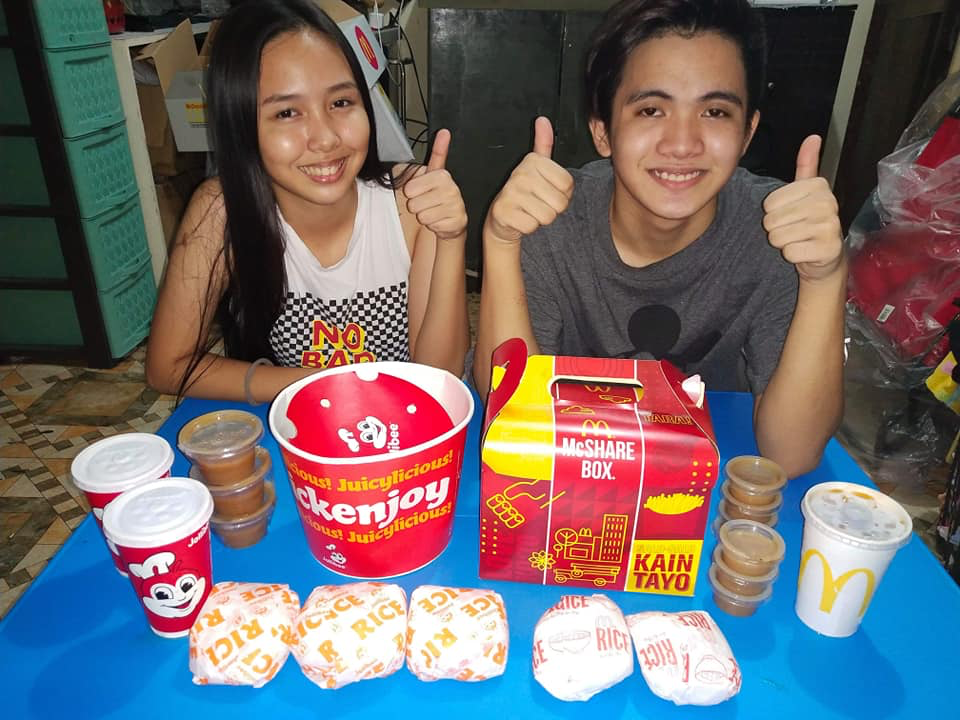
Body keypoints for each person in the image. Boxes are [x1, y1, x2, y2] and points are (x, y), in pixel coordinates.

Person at [474, 0, 845, 478]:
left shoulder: (776, 231)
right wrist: (501, 242)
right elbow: (510, 416)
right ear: (602, 130)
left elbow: (789, 456)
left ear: (748, 132)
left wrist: (825, 278)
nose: (683, 143)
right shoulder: (550, 216)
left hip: (709, 480)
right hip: (571, 482)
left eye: (714, 111)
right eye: (651, 109)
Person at [146, 0, 469, 404]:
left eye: (340, 103)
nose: (325, 139)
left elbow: (438, 377)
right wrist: (323, 388)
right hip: (294, 429)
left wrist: (452, 237)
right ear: (242, 125)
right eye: (287, 113)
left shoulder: (412, 202)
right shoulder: (220, 211)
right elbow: (168, 366)